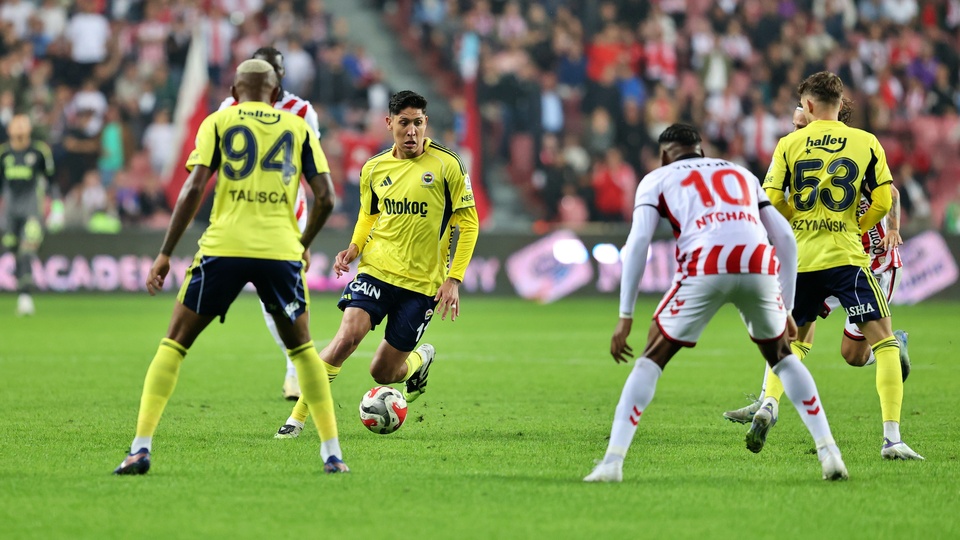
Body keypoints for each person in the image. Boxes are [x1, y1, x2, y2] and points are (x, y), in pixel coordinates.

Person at [114, 59, 348, 475]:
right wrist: (301, 243)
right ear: (277, 95)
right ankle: (332, 454)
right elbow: (327, 197)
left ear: (236, 90)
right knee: (304, 351)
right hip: (279, 250)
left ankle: (140, 448)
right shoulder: (298, 128)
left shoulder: (218, 121)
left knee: (174, 342)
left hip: (224, 246)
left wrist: (166, 251)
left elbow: (193, 188)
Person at [584, 123, 848, 483]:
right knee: (783, 359)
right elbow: (784, 236)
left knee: (650, 360)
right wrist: (786, 307)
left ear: (664, 155)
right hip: (757, 262)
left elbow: (639, 242)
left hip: (706, 264)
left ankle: (612, 463)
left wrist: (625, 314)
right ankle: (830, 453)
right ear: (701, 151)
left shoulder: (656, 179)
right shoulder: (741, 172)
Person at [273, 90, 479, 439]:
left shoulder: (448, 165)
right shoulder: (374, 168)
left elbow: (469, 223)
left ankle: (418, 361)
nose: (412, 131)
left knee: (383, 372)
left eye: (418, 123)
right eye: (404, 123)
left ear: (425, 123)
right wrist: (354, 247)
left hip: (422, 284)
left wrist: (454, 279)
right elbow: (369, 215)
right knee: (345, 339)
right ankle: (296, 420)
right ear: (389, 124)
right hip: (377, 270)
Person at [751, 71, 922, 460]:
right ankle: (892, 440)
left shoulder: (788, 144)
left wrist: (799, 223)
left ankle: (769, 405)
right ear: (840, 102)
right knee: (884, 342)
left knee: (792, 340)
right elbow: (883, 199)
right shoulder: (866, 142)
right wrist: (850, 226)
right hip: (847, 255)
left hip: (804, 258)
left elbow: (771, 200)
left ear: (808, 105)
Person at [723, 97, 911, 424]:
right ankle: (767, 400)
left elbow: (889, 194)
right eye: (794, 125)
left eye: (800, 124)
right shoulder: (799, 158)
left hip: (871, 261)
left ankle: (895, 349)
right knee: (795, 332)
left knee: (853, 355)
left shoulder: (850, 151)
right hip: (826, 255)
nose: (795, 129)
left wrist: (891, 229)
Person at [218, 46, 321, 401]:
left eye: (275, 70)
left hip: (286, 218)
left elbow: (313, 174)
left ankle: (297, 368)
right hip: (240, 218)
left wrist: (305, 237)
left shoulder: (303, 111)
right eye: (263, 70)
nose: (270, 77)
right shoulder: (228, 110)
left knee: (282, 296)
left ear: (281, 76)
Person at [0, 115, 59, 316]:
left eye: (23, 124)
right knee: (13, 249)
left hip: (33, 211)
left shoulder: (39, 151)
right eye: (15, 125)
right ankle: (23, 293)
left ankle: (25, 297)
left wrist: (57, 207)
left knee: (26, 251)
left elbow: (51, 180)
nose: (19, 129)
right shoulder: (3, 154)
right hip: (9, 213)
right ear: (9, 130)